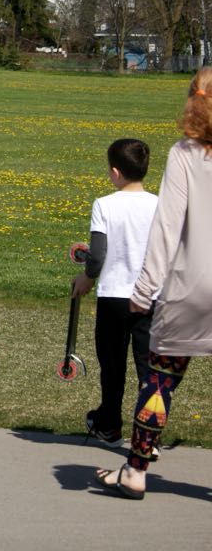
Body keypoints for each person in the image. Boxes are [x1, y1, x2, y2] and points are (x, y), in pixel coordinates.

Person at [95, 67, 212, 500]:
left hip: (190, 285)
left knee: (159, 381)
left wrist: (143, 291)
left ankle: (137, 469)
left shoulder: (185, 153)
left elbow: (167, 229)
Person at [70, 139, 158, 445]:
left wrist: (87, 277)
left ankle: (109, 423)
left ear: (116, 172)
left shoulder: (104, 204)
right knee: (149, 371)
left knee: (112, 365)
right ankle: (149, 433)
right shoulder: (159, 204)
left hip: (115, 297)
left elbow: (97, 254)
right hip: (152, 296)